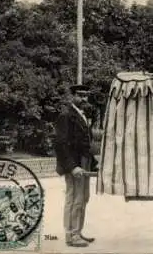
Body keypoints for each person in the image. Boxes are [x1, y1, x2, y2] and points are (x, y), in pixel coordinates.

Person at [54, 85, 98, 247]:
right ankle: (71, 235)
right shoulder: (66, 116)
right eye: (80, 95)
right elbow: (61, 144)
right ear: (71, 96)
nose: (84, 99)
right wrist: (72, 167)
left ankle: (78, 231)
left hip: (84, 162)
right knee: (74, 198)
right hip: (74, 164)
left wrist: (93, 163)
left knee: (84, 197)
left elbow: (85, 143)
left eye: (86, 96)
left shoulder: (82, 115)